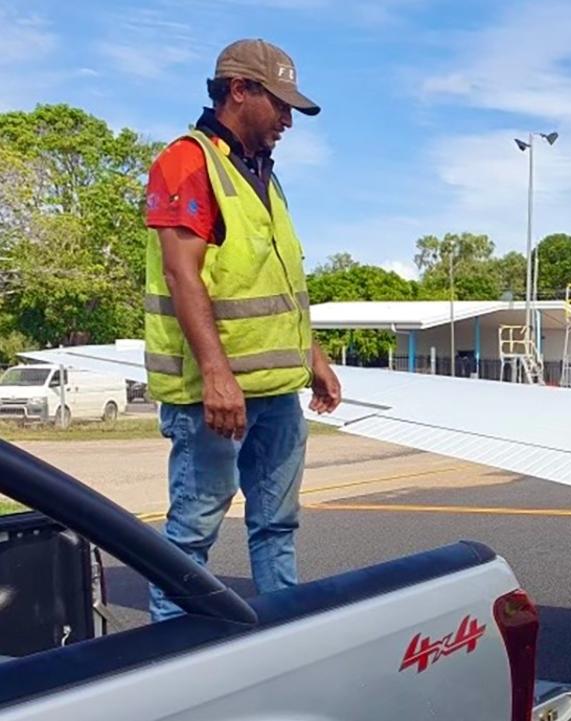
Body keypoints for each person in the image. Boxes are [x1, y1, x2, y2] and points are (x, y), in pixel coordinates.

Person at [142, 38, 341, 622]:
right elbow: (184, 275)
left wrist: (314, 356)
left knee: (277, 525)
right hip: (217, 398)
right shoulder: (188, 160)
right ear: (238, 90)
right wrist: (216, 376)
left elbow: (273, 283)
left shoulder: (262, 176)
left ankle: (282, 633)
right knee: (191, 536)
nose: (287, 120)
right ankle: (173, 657)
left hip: (277, 392)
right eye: (279, 104)